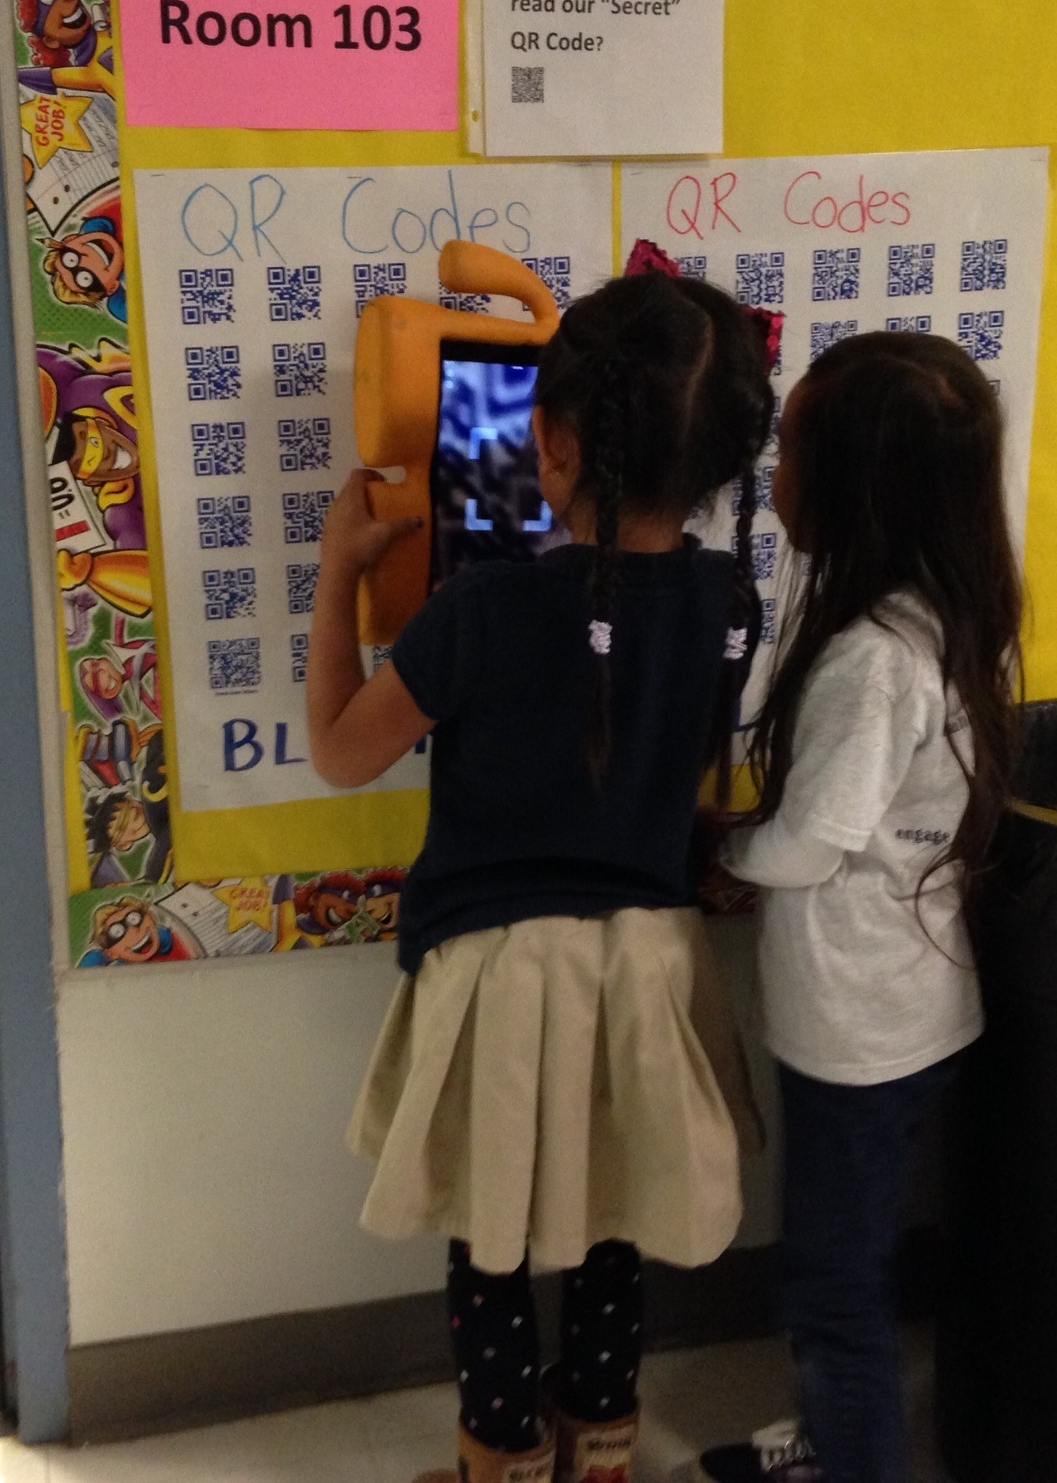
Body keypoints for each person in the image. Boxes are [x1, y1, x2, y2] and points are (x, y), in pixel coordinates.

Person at [307, 255, 777, 1483]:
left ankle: (503, 1460)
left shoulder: (482, 608)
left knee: (493, 1233)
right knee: (613, 1214)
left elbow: (341, 752)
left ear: (553, 441)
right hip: (652, 964)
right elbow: (678, 775)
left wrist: (339, 571)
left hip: (504, 973)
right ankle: (603, 1450)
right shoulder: (731, 600)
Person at [694, 333, 1022, 1483]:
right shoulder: (941, 615)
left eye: (790, 452)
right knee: (848, 1262)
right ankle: (834, 1439)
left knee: (833, 1289)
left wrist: (726, 848)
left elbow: (808, 843)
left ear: (857, 485)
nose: (771, 475)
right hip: (905, 1010)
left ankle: (855, 1458)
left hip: (858, 1032)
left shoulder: (873, 659)